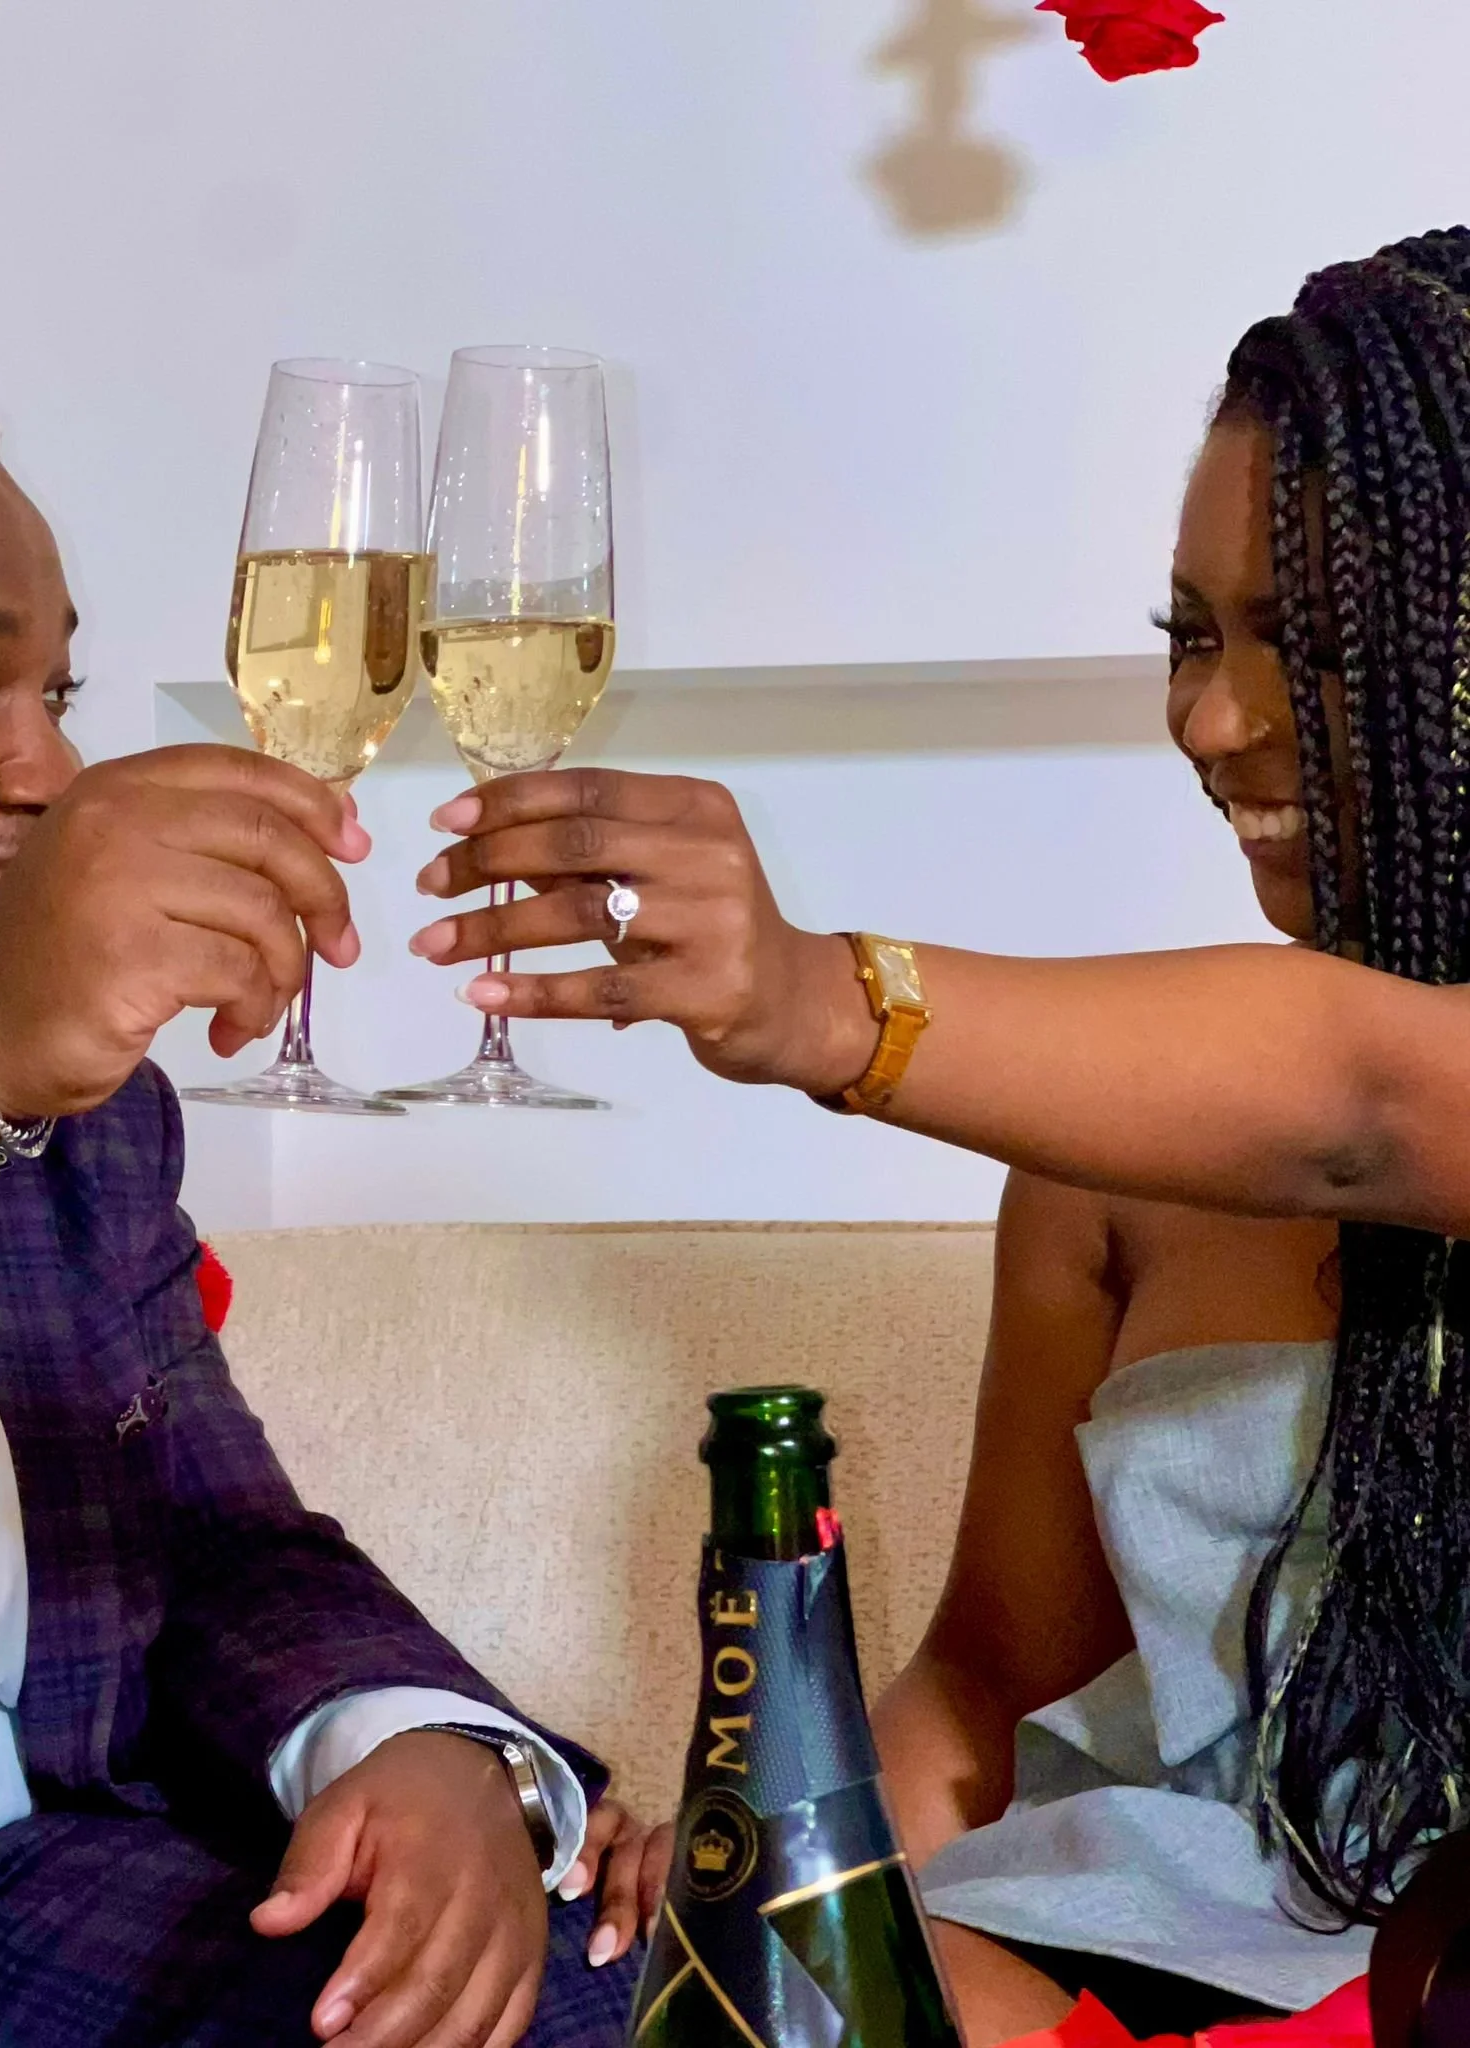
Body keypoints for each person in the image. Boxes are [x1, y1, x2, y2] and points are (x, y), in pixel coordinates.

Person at [407, 226, 1470, 2042]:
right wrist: (798, 1896)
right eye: (1192, 637)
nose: (1213, 721)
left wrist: (820, 997)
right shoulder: (1099, 1164)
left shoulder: (1362, 1096)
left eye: (1311, 641)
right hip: (1097, 1968)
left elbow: (1362, 1098)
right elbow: (983, 1691)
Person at [0, 335, 658, 2048]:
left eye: (60, 699)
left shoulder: (81, 1108)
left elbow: (216, 1533)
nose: (41, 772)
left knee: (529, 1995)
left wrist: (416, 1743)